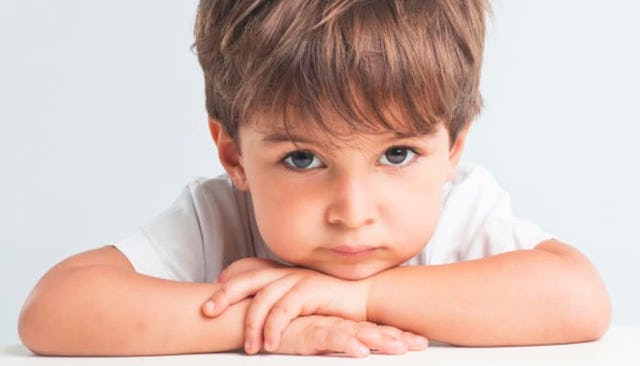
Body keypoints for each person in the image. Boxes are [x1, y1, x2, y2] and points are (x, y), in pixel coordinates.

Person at [18, 0, 611, 358]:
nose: (353, 211)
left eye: (398, 155)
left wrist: (361, 297)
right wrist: (275, 321)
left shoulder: (459, 212)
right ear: (235, 157)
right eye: (303, 159)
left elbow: (579, 300)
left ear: (452, 148)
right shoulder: (221, 220)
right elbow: (53, 311)